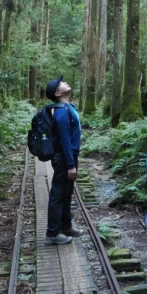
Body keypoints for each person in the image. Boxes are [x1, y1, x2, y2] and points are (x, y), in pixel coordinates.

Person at [44, 77, 84, 246]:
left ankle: (66, 226)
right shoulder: (61, 113)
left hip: (69, 156)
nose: (65, 82)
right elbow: (64, 140)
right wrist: (70, 165)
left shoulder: (68, 107)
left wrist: (74, 159)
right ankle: (52, 233)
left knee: (67, 192)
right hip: (63, 158)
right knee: (58, 194)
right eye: (61, 84)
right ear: (58, 93)